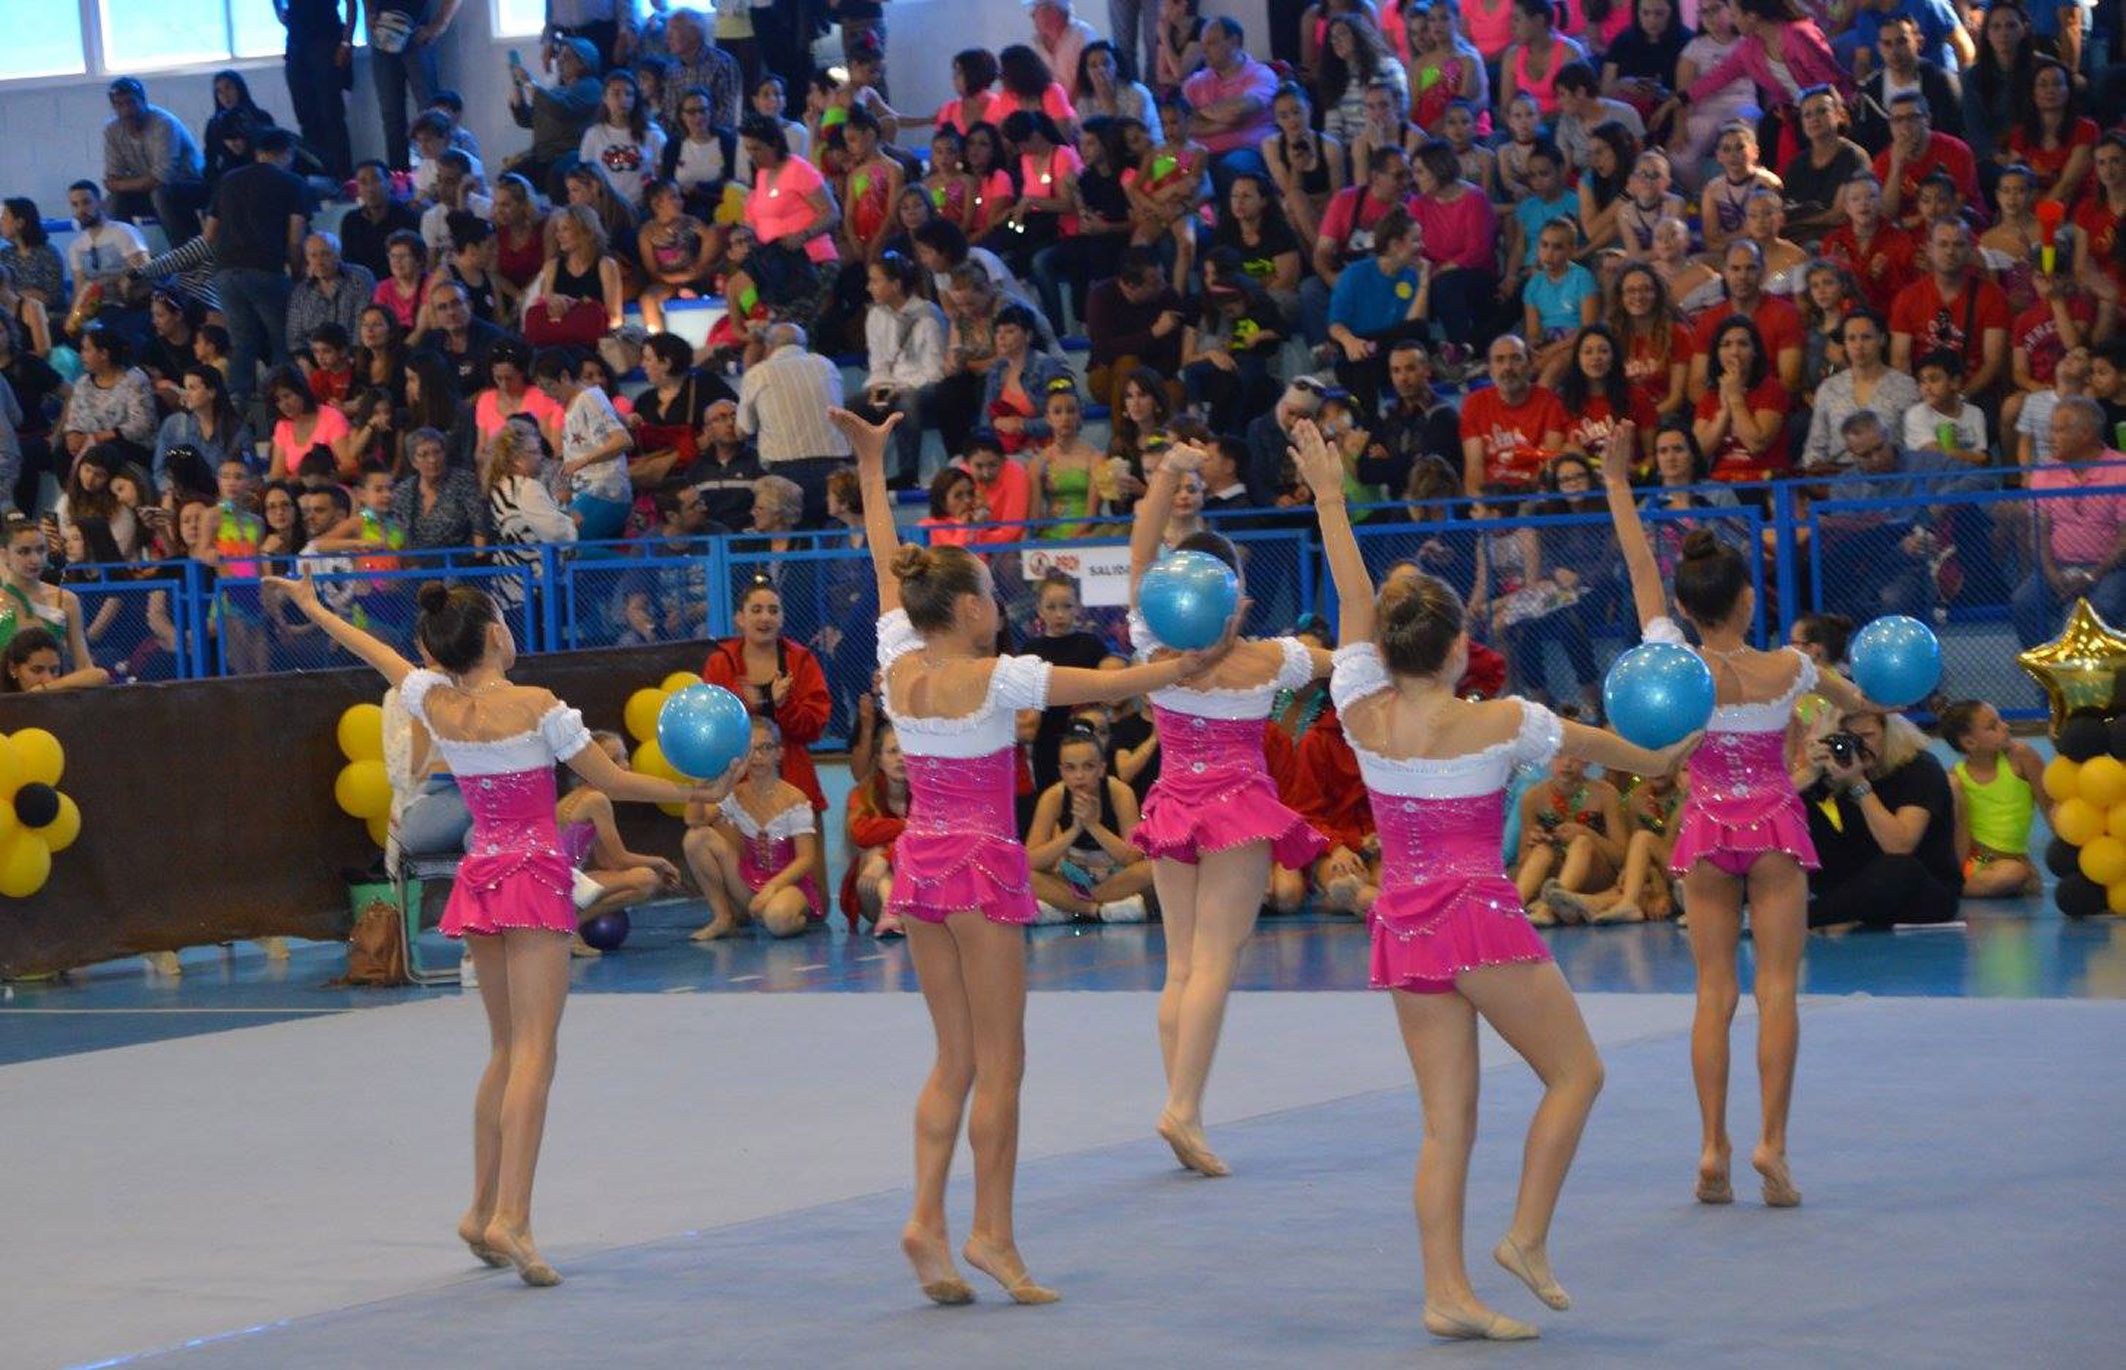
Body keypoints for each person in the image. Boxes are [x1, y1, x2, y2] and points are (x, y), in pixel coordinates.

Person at [831, 405, 1239, 1307]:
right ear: (971, 607)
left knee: (952, 1060)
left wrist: (870, 463)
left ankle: (927, 1219)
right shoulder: (996, 674)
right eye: (990, 590)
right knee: (1003, 1063)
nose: (999, 603)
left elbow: (882, 558)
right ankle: (993, 1236)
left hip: (924, 865)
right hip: (980, 865)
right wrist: (1181, 665)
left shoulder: (899, 660)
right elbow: (1112, 682)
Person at [1295, 417, 1689, 1342]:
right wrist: (1670, 751)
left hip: (1405, 925)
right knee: (1577, 1073)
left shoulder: (1359, 707)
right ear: (1456, 644)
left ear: (1390, 650)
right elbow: (1626, 752)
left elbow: (1351, 599)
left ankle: (1445, 1294)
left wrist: (1326, 496)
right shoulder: (1506, 721)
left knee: (1447, 1123)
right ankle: (1524, 1238)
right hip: (1474, 916)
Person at [271, 568, 732, 1287]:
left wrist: (309, 607)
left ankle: (481, 1209)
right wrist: (695, 790)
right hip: (533, 877)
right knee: (535, 1054)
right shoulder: (538, 705)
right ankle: (513, 1217)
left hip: (482, 874)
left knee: (503, 1050)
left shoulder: (433, 699)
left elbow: (375, 656)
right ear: (495, 635)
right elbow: (609, 781)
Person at [1602, 423, 1879, 1210]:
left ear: (1685, 606)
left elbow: (1634, 568)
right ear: (1748, 598)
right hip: (1775, 830)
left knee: (1712, 995)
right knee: (1780, 991)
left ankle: (1712, 1149)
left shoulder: (1673, 662)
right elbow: (1862, 705)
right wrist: (1872, 700)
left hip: (1708, 828)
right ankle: (1773, 1147)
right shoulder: (1790, 668)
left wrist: (1619, 484)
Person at [1126, 443, 1331, 1175]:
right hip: (1238, 808)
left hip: (1174, 802)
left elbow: (1139, 554)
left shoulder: (1155, 645)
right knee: (1216, 960)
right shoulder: (1268, 658)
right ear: (1234, 596)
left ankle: (1185, 1105)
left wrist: (1165, 477)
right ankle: (1182, 1108)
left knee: (1181, 966)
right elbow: (1355, 658)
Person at [1797, 705, 1964, 927]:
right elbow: (1770, 804)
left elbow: (1899, 846)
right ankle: (1759, 901)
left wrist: (1858, 783)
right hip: (1862, 878)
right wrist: (1811, 772)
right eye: (1848, 739)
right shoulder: (1842, 765)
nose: (1860, 746)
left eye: (1867, 736)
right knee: (1797, 808)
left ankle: (1798, 917)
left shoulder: (1920, 768)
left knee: (1897, 868)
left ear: (1887, 734)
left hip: (1921, 887)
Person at [685, 717, 825, 937]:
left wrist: (773, 887)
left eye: (765, 748)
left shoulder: (794, 799)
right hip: (750, 881)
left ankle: (789, 916)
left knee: (778, 921)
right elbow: (693, 820)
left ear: (779, 753)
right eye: (750, 750)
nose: (757, 756)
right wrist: (700, 785)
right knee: (696, 838)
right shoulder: (736, 794)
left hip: (790, 884)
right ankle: (723, 917)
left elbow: (806, 859)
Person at [2014, 396, 2126, 643]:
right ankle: (2046, 673)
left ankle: (2103, 678)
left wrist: (2092, 576)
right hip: (2057, 565)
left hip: (2111, 569)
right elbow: (2039, 532)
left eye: (2059, 430)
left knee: (2102, 608)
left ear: (2086, 434)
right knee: (2024, 602)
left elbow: (2124, 538)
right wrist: (2053, 574)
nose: (2049, 437)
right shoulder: (2045, 471)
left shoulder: (2121, 470)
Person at [1027, 722, 1154, 921]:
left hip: (1113, 880)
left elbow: (1133, 858)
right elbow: (1030, 862)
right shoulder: (1053, 797)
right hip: (1072, 879)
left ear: (1102, 768)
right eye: (1070, 768)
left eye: (1088, 766)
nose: (1079, 776)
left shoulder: (1119, 792)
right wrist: (1074, 831)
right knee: (1024, 875)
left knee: (1153, 868)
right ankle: (1097, 910)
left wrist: (1093, 825)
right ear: (1061, 771)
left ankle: (1067, 907)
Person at [1941, 699, 2050, 899]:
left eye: (2000, 720)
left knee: (2015, 872)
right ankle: (1951, 885)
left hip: (2011, 862)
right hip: (1975, 859)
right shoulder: (1956, 778)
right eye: (1993, 726)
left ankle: (1956, 887)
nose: (2005, 727)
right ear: (1969, 742)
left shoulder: (2021, 757)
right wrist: (1959, 869)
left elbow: (2050, 807)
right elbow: (1956, 833)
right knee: (2014, 874)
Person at [101, 77, 207, 245]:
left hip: (189, 186)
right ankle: (133, 258)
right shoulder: (112, 130)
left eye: (130, 103)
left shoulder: (164, 123)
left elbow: (163, 177)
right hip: (150, 191)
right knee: (114, 201)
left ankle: (182, 255)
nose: (126, 110)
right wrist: (128, 184)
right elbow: (113, 178)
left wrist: (123, 184)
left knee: (160, 193)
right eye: (119, 105)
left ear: (143, 101)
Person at [1181, 16, 1280, 191]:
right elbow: (1184, 124)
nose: (1204, 51)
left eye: (1211, 43)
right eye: (1203, 44)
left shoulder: (1260, 75)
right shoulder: (1195, 82)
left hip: (1247, 150)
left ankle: (1222, 218)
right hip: (1197, 152)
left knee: (1229, 168)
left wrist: (1202, 114)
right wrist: (1226, 123)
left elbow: (1238, 110)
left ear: (1234, 42)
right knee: (1160, 168)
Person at [279, 0, 355, 181]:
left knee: (331, 116)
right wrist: (279, 11)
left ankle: (343, 178)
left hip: (326, 40)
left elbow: (351, 4)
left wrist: (346, 43)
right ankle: (318, 177)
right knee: (306, 117)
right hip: (296, 43)